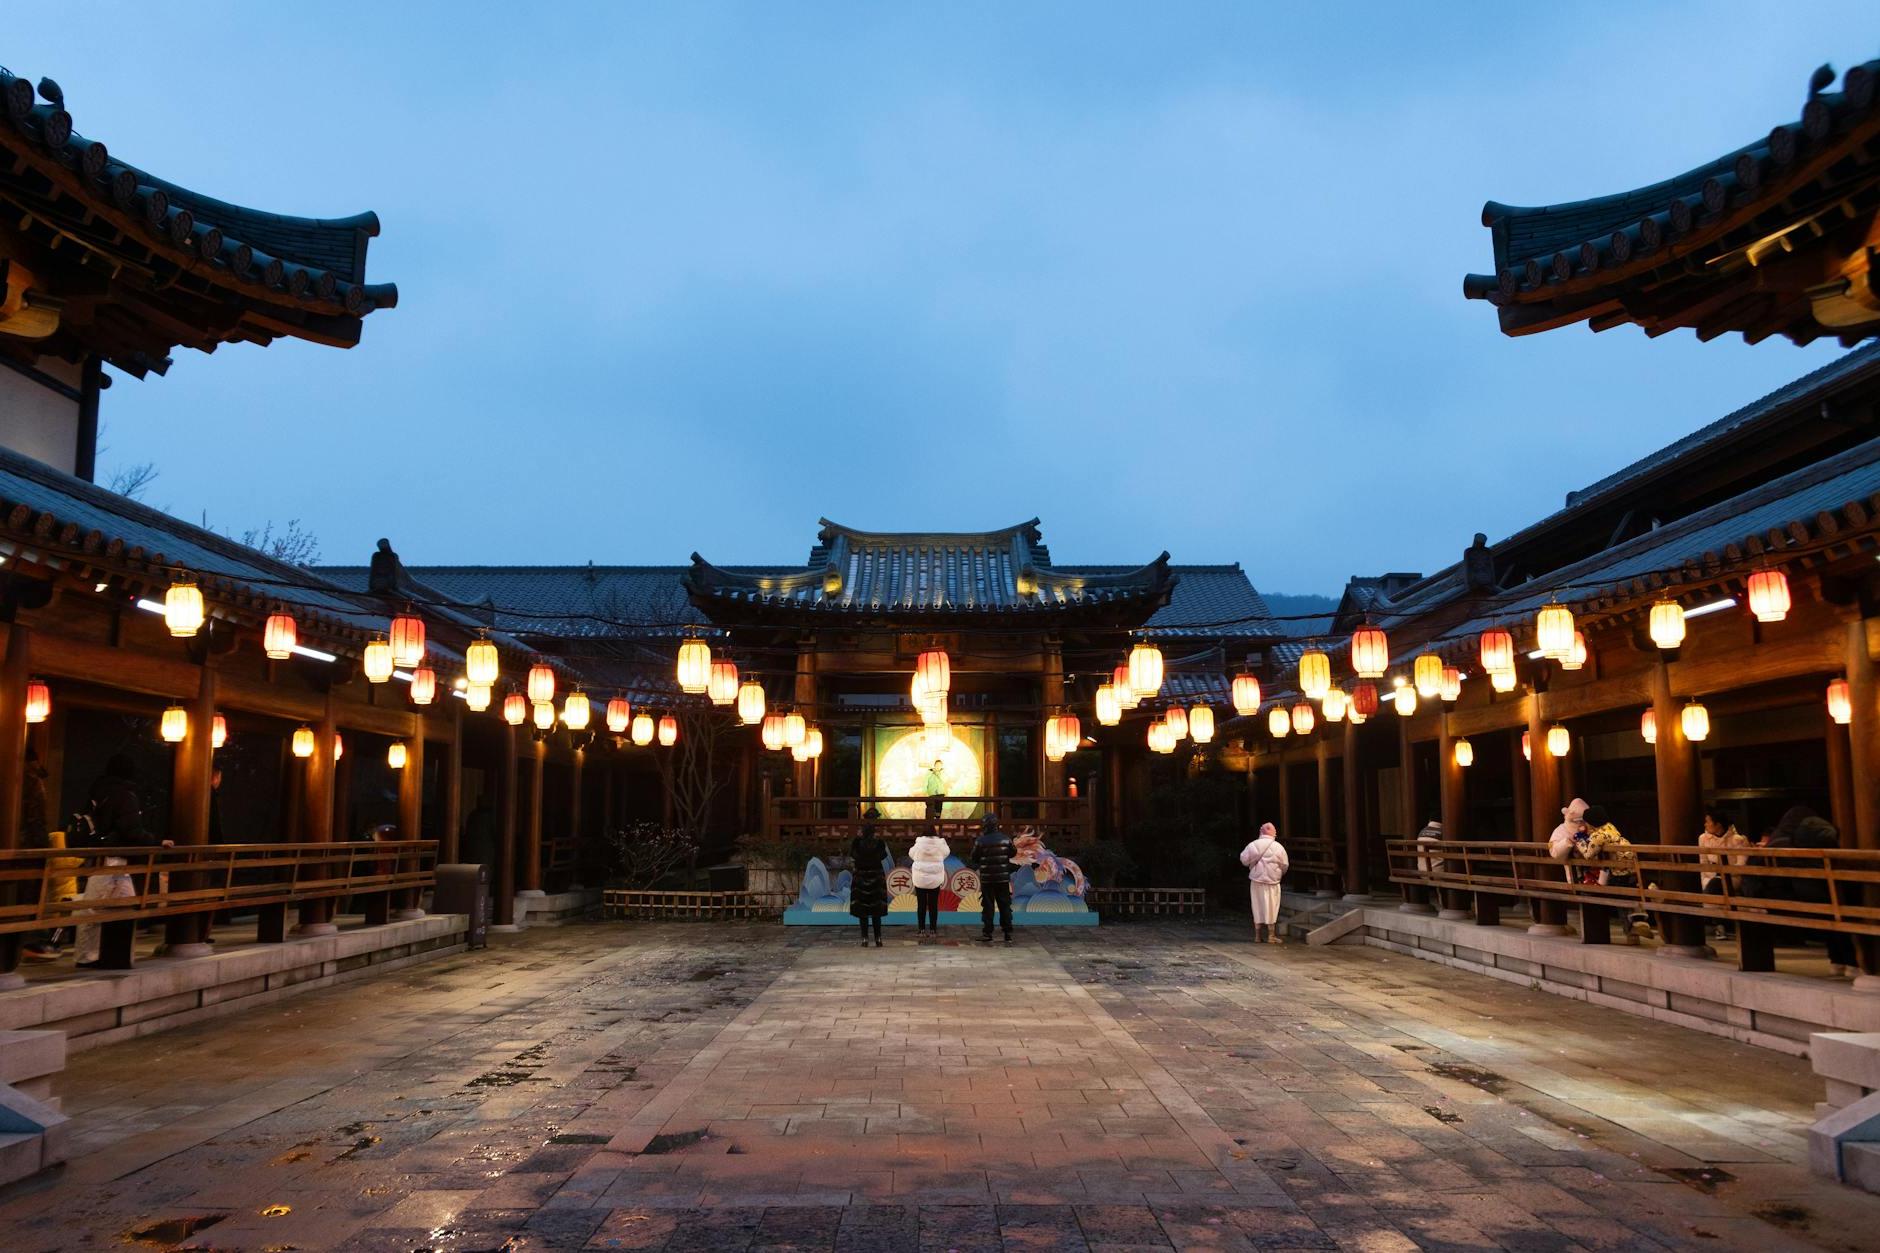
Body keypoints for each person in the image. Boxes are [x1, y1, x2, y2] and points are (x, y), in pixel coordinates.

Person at [74, 754, 168, 968]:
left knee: (96, 907)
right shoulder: (124, 795)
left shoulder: (97, 790)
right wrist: (155, 840)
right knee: (115, 907)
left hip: (97, 856)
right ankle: (104, 956)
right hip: (117, 860)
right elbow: (131, 829)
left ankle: (96, 955)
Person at [1757, 805, 1856, 976]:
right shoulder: (1813, 843)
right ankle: (1852, 962)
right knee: (1842, 906)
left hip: (1784, 901)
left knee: (1833, 908)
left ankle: (1838, 961)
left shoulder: (1777, 843)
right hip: (1811, 899)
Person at [1697, 806, 1750, 940]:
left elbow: (1741, 864)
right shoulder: (1703, 838)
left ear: (1718, 824)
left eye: (1708, 821)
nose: (1705, 824)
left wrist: (1724, 872)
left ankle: (1713, 921)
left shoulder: (1738, 840)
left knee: (1716, 884)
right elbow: (1703, 862)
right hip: (1710, 876)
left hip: (1733, 877)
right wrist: (1712, 874)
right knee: (1713, 884)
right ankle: (1719, 924)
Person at [1239, 822, 1289, 944]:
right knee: (1272, 906)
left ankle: (1257, 935)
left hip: (1256, 880)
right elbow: (1285, 865)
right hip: (1273, 881)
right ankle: (1271, 935)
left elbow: (1244, 860)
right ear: (1274, 833)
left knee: (1257, 905)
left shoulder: (1252, 845)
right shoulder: (1279, 847)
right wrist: (1278, 874)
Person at [972, 812, 1016, 944]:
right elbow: (1013, 852)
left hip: (987, 879)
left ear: (984, 825)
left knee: (988, 906)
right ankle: (1007, 933)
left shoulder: (980, 840)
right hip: (1003, 878)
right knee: (1005, 905)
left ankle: (987, 932)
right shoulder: (1006, 839)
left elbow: (974, 857)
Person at [849, 809, 890, 947]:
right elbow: (883, 856)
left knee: (863, 911)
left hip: (860, 877)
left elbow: (853, 855)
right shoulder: (879, 843)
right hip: (876, 877)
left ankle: (864, 938)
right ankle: (878, 938)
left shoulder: (856, 842)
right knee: (876, 910)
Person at [908, 825, 949, 936]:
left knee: (921, 905)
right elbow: (946, 852)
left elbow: (911, 854)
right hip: (935, 880)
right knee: (933, 905)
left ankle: (921, 930)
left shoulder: (919, 843)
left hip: (920, 879)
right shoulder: (940, 844)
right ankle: (933, 930)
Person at [1548, 798, 1591, 883]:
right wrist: (1567, 843)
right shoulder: (1561, 830)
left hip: (1594, 869)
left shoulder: (1590, 827)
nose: (1580, 824)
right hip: (1574, 873)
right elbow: (1554, 851)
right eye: (1578, 821)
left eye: (1582, 821)